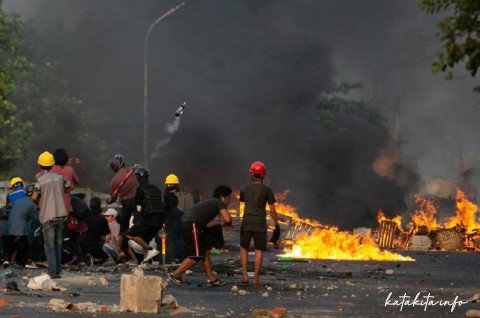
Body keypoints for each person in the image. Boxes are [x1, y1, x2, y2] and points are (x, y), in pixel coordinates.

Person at [168, 185, 232, 287]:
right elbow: (228, 219)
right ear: (223, 197)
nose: (229, 201)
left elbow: (210, 222)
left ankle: (211, 278)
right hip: (192, 224)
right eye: (229, 197)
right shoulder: (219, 202)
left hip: (191, 223)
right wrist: (226, 224)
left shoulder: (211, 202)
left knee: (205, 251)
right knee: (196, 254)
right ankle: (175, 274)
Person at [32, 151, 72, 278]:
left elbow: (34, 197)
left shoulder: (40, 180)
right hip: (61, 215)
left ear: (39, 165)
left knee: (49, 245)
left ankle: (52, 272)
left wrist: (38, 203)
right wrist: (60, 192)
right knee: (58, 243)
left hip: (47, 216)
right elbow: (71, 187)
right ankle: (57, 270)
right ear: (52, 164)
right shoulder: (60, 178)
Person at [239, 161, 280, 287]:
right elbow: (273, 211)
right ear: (263, 175)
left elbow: (243, 204)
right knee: (259, 249)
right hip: (260, 223)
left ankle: (245, 276)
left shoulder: (244, 188)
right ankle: (256, 279)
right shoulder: (267, 190)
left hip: (246, 221)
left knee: (244, 247)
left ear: (251, 174)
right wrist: (276, 224)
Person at [125, 166, 165, 264]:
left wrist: (137, 218)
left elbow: (136, 207)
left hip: (150, 217)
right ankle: (145, 263)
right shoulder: (156, 189)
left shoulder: (140, 189)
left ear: (137, 178)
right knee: (145, 239)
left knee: (130, 234)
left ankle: (150, 250)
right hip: (161, 219)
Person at [164, 174, 194, 264]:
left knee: (176, 239)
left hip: (176, 220)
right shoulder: (186, 195)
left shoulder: (168, 196)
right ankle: (181, 258)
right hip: (183, 220)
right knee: (180, 239)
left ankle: (178, 258)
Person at [2, 192, 38, 265]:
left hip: (7, 228)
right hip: (20, 231)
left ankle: (8, 258)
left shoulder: (17, 201)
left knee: (11, 242)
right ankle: (19, 259)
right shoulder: (31, 204)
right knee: (28, 239)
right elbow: (36, 219)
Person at [106, 154, 139, 235]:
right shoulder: (133, 170)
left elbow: (112, 199)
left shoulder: (113, 181)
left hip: (126, 202)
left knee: (124, 224)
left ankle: (123, 244)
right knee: (139, 221)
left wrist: (108, 201)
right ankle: (140, 239)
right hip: (138, 199)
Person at [79, 197, 110, 265]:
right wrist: (100, 245)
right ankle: (93, 258)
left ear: (90, 205)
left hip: (82, 244)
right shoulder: (102, 219)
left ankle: (86, 257)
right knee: (106, 258)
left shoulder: (84, 217)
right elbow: (104, 238)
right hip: (95, 246)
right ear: (99, 206)